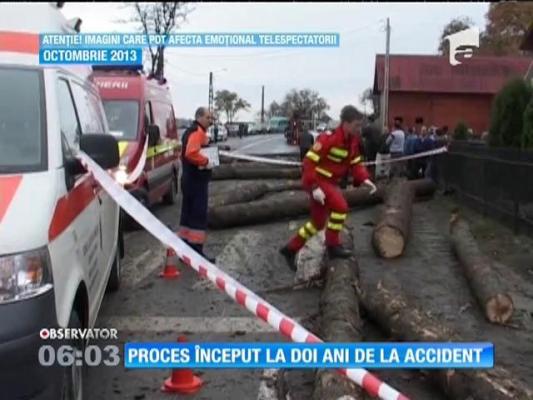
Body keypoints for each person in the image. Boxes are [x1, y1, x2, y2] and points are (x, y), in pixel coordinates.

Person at [279, 105, 377, 271]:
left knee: (317, 224)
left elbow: (355, 163)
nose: (359, 128)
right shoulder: (328, 138)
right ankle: (333, 246)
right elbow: (309, 162)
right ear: (345, 123)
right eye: (356, 125)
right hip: (318, 181)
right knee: (341, 208)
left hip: (329, 183)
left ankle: (290, 249)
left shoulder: (352, 142)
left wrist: (366, 179)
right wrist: (315, 187)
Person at [178, 107, 216, 262]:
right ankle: (196, 252)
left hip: (188, 179)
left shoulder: (190, 131)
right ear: (199, 117)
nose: (210, 121)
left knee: (187, 216)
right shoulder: (197, 132)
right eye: (208, 118)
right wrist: (206, 161)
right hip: (196, 180)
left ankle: (185, 250)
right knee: (198, 216)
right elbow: (191, 153)